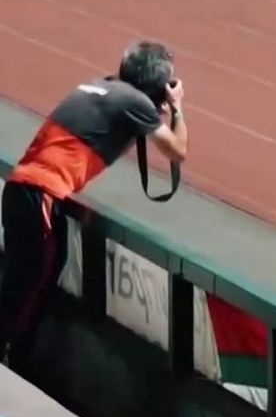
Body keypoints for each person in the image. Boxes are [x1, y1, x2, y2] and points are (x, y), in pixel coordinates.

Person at [1, 41, 189, 369]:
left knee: (38, 274)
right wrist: (177, 108)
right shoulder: (134, 101)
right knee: (28, 287)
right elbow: (177, 151)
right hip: (40, 196)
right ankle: (13, 359)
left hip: (27, 190)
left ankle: (18, 357)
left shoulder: (102, 86)